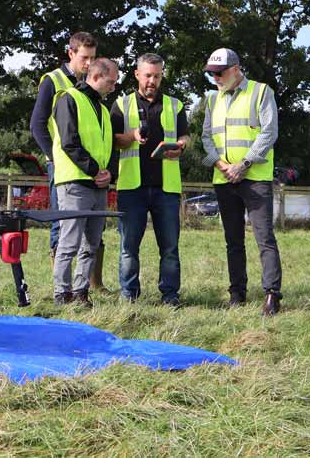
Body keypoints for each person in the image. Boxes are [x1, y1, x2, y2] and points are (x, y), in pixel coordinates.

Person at [200, 48, 282, 316]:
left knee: (264, 238)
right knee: (232, 240)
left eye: (220, 73)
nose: (215, 78)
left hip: (255, 178)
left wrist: (244, 164)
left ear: (236, 69)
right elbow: (205, 137)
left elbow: (269, 133)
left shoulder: (260, 92)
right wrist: (220, 164)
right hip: (224, 178)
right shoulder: (212, 99)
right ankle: (237, 294)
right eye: (211, 74)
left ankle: (272, 294)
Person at [29, 32, 110, 292]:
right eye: (84, 58)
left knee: (92, 233)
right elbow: (37, 124)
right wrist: (53, 156)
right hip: (66, 166)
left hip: (90, 171)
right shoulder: (54, 81)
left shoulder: (93, 93)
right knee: (64, 229)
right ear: (71, 54)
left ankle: (88, 284)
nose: (88, 63)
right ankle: (61, 288)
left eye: (93, 58)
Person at [110, 53, 189, 307]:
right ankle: (129, 296)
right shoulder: (121, 105)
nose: (152, 80)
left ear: (162, 75)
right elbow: (113, 140)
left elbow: (185, 136)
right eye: (147, 75)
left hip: (166, 187)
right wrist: (131, 135)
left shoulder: (175, 105)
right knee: (128, 247)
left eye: (156, 75)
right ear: (136, 74)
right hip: (132, 187)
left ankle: (170, 296)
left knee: (169, 248)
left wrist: (181, 147)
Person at [48, 58, 117, 307]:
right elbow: (69, 141)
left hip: (98, 184)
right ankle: (62, 294)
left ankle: (81, 292)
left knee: (92, 242)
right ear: (97, 77)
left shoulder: (102, 108)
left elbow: (108, 146)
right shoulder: (68, 98)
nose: (114, 87)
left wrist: (109, 172)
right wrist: (94, 170)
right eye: (111, 81)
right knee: (69, 241)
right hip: (75, 181)